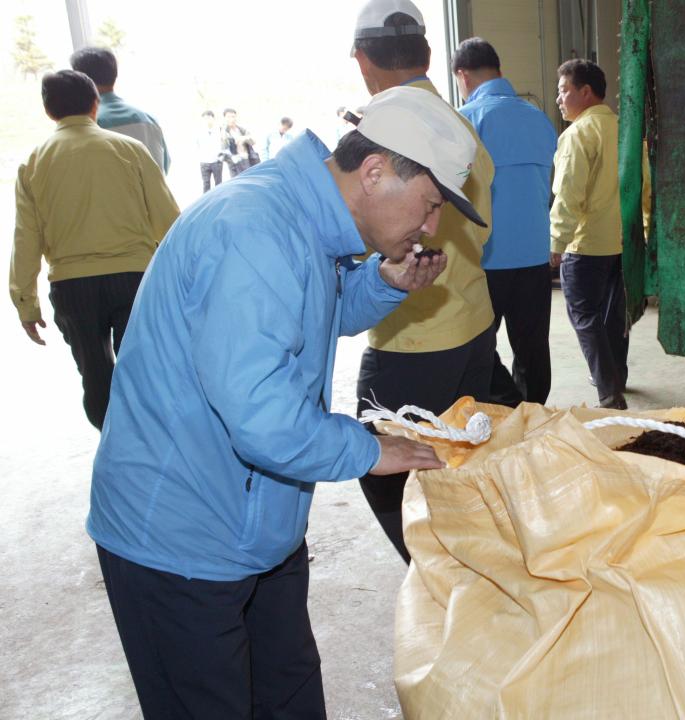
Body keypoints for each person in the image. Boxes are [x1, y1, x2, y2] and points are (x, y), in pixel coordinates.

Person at [87, 85, 475, 718]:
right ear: (374, 172)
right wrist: (369, 447)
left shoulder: (307, 221)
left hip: (257, 525)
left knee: (290, 692)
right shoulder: (254, 229)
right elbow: (264, 419)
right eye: (430, 205)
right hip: (179, 539)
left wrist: (381, 283)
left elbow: (307, 316)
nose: (431, 227)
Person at [350, 0, 496, 563]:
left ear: (362, 60)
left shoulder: (381, 129)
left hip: (414, 336)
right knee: (457, 456)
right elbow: (485, 229)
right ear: (429, 54)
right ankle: (467, 562)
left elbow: (366, 233)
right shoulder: (460, 125)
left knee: (385, 470)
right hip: (473, 322)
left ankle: (438, 577)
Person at [10, 70, 179, 430]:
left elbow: (26, 238)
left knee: (96, 376)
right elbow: (169, 222)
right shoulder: (129, 150)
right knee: (145, 368)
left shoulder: (34, 163)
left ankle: (113, 445)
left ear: (48, 110)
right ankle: (152, 444)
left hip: (72, 286)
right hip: (134, 278)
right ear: (95, 104)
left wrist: (26, 302)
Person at [454, 37, 558, 406]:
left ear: (462, 76)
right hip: (533, 255)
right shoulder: (540, 119)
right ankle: (531, 413)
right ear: (499, 71)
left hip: (486, 259)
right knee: (532, 346)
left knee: (475, 344)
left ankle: (506, 405)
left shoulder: (466, 121)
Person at [550, 59, 628, 410]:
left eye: (564, 91)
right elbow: (641, 188)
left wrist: (557, 241)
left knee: (584, 317)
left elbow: (569, 193)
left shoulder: (578, 135)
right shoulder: (625, 130)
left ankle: (609, 393)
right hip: (622, 242)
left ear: (585, 92)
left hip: (587, 244)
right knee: (613, 316)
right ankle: (617, 376)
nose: (559, 99)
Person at [70, 46, 171, 174]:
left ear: (80, 79)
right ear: (115, 74)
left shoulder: (86, 125)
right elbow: (164, 167)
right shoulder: (149, 120)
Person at [222, 107, 258, 177]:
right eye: (228, 117)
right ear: (225, 118)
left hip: (246, 159)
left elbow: (253, 142)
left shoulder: (242, 129)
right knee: (236, 183)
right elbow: (223, 149)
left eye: (233, 117)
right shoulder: (223, 131)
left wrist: (244, 138)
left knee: (248, 180)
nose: (231, 119)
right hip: (234, 162)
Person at [196, 109, 226, 193]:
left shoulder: (220, 129)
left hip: (217, 161)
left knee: (219, 184)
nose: (207, 120)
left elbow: (224, 144)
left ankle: (219, 200)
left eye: (209, 118)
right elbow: (197, 145)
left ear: (213, 118)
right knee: (206, 184)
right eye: (204, 118)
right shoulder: (199, 131)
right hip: (204, 161)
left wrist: (221, 157)